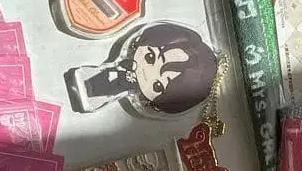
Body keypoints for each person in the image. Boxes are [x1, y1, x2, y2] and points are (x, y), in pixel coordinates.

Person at [64, 22, 218, 116]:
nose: (148, 73)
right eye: (150, 57)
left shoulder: (133, 94)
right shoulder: (125, 62)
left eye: (158, 85)